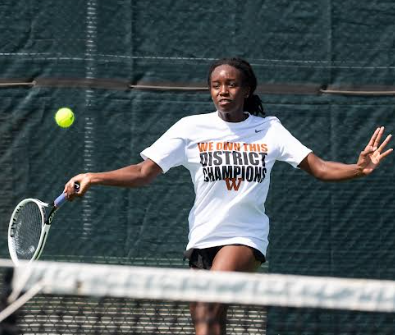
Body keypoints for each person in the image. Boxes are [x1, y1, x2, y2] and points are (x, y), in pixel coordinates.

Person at [64, 58, 393, 335]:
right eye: (216, 85)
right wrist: (94, 176)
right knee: (207, 325)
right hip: (201, 238)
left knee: (209, 298)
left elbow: (319, 168)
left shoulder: (269, 130)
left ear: (246, 90)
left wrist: (358, 169)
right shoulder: (190, 128)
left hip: (245, 238)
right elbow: (142, 172)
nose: (223, 91)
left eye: (231, 84)